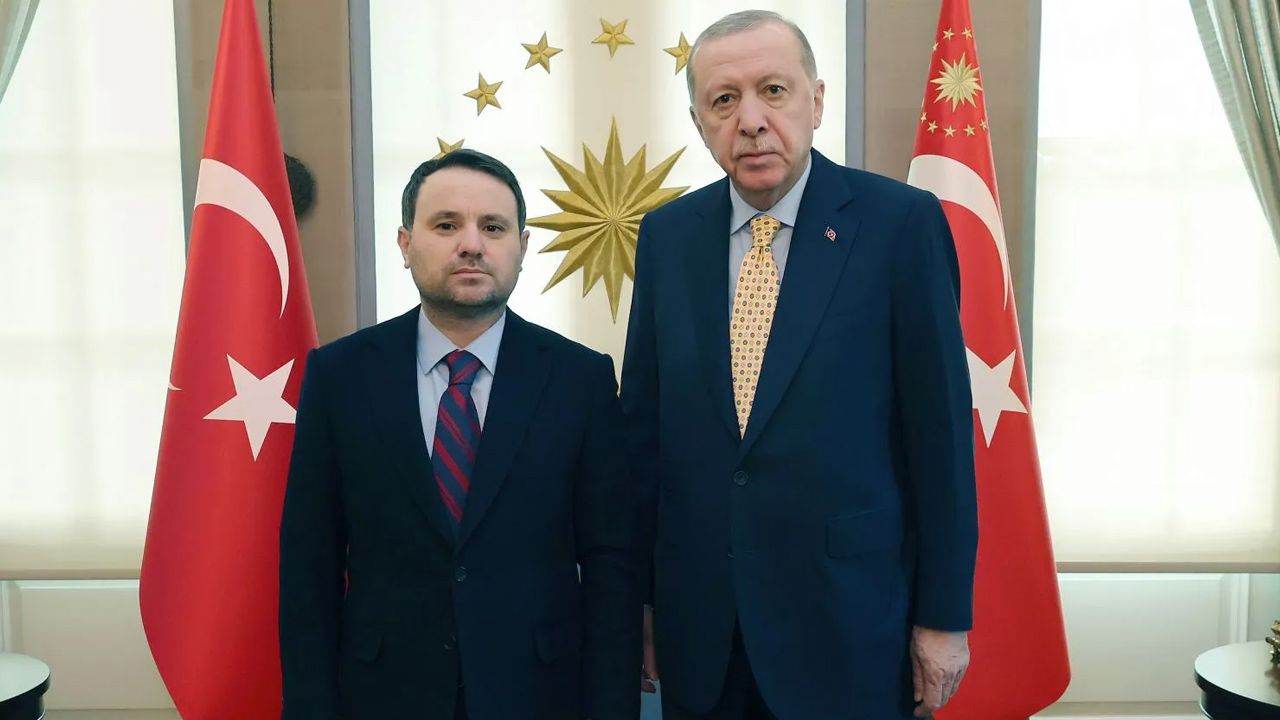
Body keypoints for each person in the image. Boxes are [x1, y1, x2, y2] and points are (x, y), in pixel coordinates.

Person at [621, 11, 977, 719]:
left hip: (848, 624)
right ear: (699, 122)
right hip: (704, 630)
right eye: (724, 100)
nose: (751, 121)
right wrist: (643, 601)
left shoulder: (900, 225)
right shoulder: (667, 236)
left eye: (773, 91)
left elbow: (940, 439)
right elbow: (644, 436)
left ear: (816, 102)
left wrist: (943, 618)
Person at [280, 149, 645, 720]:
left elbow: (611, 566)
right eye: (446, 225)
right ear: (405, 244)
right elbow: (310, 564)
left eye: (493, 227)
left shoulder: (580, 379)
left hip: (539, 694)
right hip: (381, 695)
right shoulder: (340, 376)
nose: (471, 244)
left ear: (522, 247)